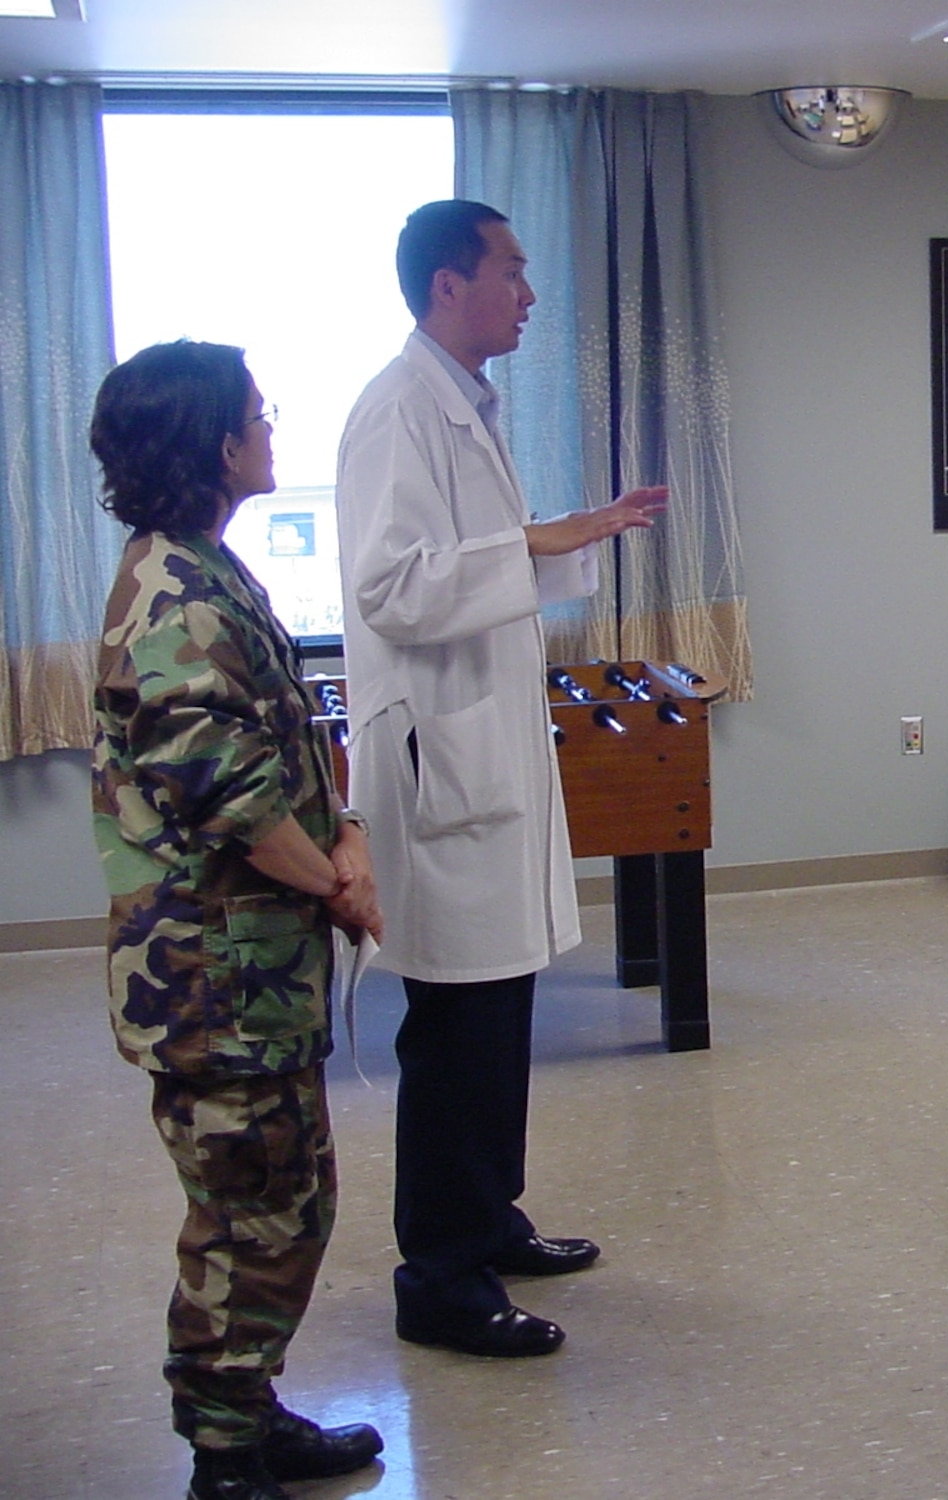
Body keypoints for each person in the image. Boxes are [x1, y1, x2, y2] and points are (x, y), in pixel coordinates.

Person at [334, 200, 667, 1358]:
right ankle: (439, 1274)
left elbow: (460, 561)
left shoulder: (463, 403)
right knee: (457, 1026)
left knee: (500, 1004)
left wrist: (553, 534)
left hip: (480, 744)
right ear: (445, 287)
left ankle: (490, 1217)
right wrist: (539, 544)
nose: (528, 294)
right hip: (438, 758)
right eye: (511, 274)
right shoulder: (395, 411)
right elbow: (391, 588)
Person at [90, 341, 386, 1500]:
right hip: (210, 980)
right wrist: (335, 881)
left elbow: (287, 754)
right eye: (256, 413)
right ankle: (223, 1452)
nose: (270, 424)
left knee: (286, 1200)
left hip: (254, 971)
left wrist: (346, 831)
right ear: (218, 445)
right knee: (247, 1211)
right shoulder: (169, 598)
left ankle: (248, 1409)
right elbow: (231, 799)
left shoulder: (205, 570)